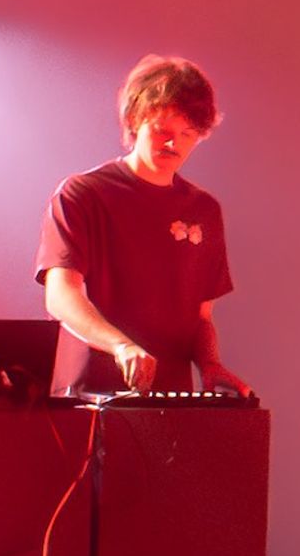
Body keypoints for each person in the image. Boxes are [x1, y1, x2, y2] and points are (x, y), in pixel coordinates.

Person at [39, 56, 248, 397]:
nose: (172, 143)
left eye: (186, 134)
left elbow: (201, 318)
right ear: (135, 120)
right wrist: (121, 345)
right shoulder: (83, 194)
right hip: (88, 395)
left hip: (169, 400)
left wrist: (210, 364)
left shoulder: (204, 210)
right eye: (162, 130)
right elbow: (60, 295)